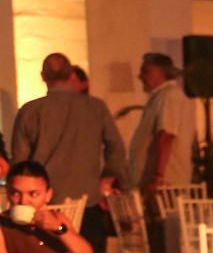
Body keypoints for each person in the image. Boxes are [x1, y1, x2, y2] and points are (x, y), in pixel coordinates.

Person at [10, 52, 131, 208]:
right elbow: (116, 148)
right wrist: (106, 179)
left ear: (43, 76)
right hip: (88, 198)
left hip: (43, 204)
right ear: (72, 75)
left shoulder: (30, 111)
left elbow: (20, 162)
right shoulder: (95, 107)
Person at [126, 52, 197, 200]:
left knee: (165, 222)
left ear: (161, 73)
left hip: (165, 185)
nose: (141, 77)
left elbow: (168, 135)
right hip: (157, 183)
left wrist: (158, 177)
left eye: (145, 72)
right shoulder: (161, 96)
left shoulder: (169, 96)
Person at [0, 160, 96, 253]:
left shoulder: (56, 218)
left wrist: (58, 228)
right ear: (8, 194)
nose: (23, 201)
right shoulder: (3, 225)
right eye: (15, 193)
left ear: (48, 195)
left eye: (33, 194)